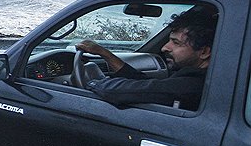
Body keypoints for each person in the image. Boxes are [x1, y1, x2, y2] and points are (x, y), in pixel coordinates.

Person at [75, 8, 216, 110]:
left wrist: (91, 83)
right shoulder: (205, 78)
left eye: (176, 43)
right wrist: (104, 53)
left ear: (204, 52)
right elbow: (148, 85)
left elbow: (120, 91)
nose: (164, 48)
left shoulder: (192, 86)